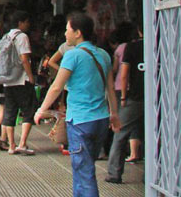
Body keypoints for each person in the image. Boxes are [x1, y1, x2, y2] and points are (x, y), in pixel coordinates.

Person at [35, 12, 121, 197]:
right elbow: (111, 89)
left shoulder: (72, 55)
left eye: (68, 30)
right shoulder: (104, 55)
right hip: (101, 120)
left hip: (80, 121)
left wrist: (42, 110)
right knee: (84, 167)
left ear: (78, 33)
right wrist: (114, 114)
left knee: (84, 171)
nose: (65, 34)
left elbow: (57, 87)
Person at [105, 25, 144, 184]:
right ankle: (155, 174)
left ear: (139, 30)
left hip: (134, 97)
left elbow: (124, 73)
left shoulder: (131, 47)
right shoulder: (158, 44)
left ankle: (114, 173)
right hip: (156, 98)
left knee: (120, 133)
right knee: (156, 135)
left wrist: (123, 97)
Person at [0, 10, 37, 155]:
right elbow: (24, 59)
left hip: (8, 81)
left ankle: (11, 145)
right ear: (20, 23)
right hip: (22, 80)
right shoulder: (22, 37)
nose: (28, 25)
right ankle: (22, 143)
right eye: (26, 22)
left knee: (10, 111)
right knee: (28, 110)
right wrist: (30, 76)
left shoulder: (6, 37)